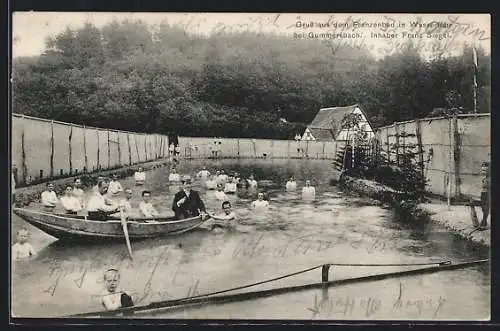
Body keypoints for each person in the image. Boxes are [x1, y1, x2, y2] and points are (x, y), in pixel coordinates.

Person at [469, 161, 490, 229]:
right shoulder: (485, 178)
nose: (483, 170)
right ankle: (483, 222)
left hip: (488, 194)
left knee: (485, 208)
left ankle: (484, 222)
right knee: (484, 208)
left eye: (485, 168)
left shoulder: (489, 179)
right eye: (482, 168)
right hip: (484, 194)